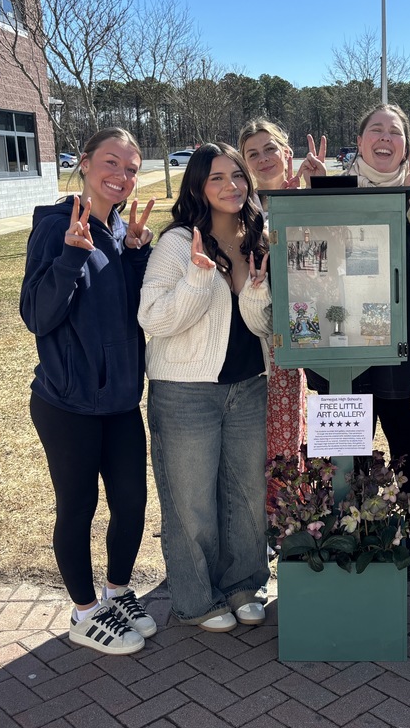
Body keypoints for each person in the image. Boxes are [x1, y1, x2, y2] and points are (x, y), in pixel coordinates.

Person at [20, 127, 157, 655]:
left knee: (131, 501)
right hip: (67, 402)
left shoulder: (121, 232)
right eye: (111, 162)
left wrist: (137, 254)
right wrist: (71, 256)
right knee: (77, 507)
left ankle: (117, 592)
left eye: (130, 167)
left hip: (120, 400)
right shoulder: (58, 226)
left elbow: (131, 312)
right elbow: (37, 315)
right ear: (84, 162)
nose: (120, 175)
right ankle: (82, 612)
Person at [138, 143, 272, 632]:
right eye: (217, 178)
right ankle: (195, 599)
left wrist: (255, 294)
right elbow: (152, 316)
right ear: (198, 186)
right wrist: (197, 280)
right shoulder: (178, 242)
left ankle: (243, 584)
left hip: (247, 386)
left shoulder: (256, 237)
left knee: (246, 494)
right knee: (191, 500)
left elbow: (262, 325)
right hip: (185, 391)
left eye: (237, 176)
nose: (231, 186)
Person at [314, 104, 410, 558]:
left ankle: (405, 524)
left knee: (406, 439)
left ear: (407, 146)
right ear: (361, 139)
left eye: (395, 131)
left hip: (403, 337)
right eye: (376, 128)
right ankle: (343, 529)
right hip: (343, 337)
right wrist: (313, 191)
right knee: (345, 443)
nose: (385, 137)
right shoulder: (336, 188)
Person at [237, 119, 326, 461]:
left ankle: (285, 511)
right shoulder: (238, 209)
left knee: (286, 442)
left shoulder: (309, 202)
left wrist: (309, 201)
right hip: (247, 336)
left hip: (296, 332)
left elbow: (317, 270)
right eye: (253, 153)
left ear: (287, 153)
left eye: (270, 148)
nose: (263, 159)